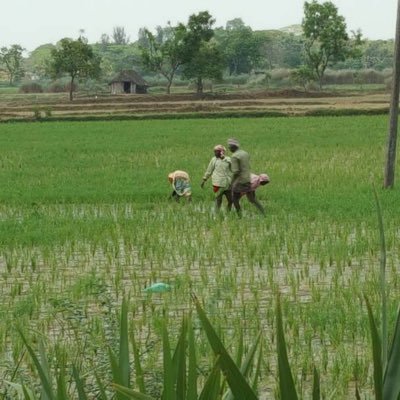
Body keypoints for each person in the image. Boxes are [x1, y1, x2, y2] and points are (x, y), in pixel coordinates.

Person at [227, 138, 265, 215]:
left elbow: (236, 171)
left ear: (233, 147)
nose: (229, 148)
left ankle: (239, 216)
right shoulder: (245, 153)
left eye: (229, 146)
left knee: (234, 199)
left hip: (240, 181)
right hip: (248, 179)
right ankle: (263, 212)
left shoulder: (234, 156)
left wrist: (231, 183)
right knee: (252, 199)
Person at [201, 145, 233, 211]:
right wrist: (204, 179)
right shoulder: (214, 160)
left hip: (227, 184)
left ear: (222, 152)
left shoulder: (228, 159)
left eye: (217, 151)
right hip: (217, 184)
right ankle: (217, 215)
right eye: (214, 151)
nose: (215, 153)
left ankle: (228, 213)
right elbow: (209, 170)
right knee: (218, 201)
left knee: (231, 200)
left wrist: (224, 158)